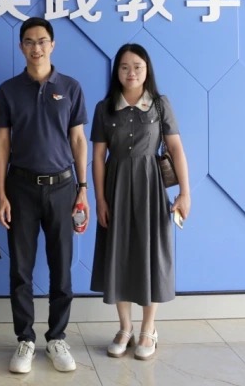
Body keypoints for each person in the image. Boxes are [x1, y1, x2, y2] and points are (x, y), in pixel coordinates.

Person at [0, 17, 89, 374]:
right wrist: (1, 193)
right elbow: (3, 143)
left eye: (42, 41)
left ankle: (57, 337)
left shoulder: (71, 87)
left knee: (61, 267)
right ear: (21, 46)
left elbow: (78, 140)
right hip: (20, 187)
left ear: (53, 44)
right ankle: (25, 339)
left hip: (64, 187)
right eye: (30, 41)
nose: (37, 47)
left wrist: (83, 189)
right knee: (21, 269)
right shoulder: (8, 90)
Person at [90, 43, 191, 360]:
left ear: (147, 70)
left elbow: (176, 149)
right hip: (116, 187)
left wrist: (185, 193)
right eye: (124, 67)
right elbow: (97, 157)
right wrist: (100, 199)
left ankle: (149, 328)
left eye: (137, 66)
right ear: (116, 72)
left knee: (151, 253)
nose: (131, 72)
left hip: (151, 187)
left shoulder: (160, 104)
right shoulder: (104, 108)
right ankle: (125, 327)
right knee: (118, 253)